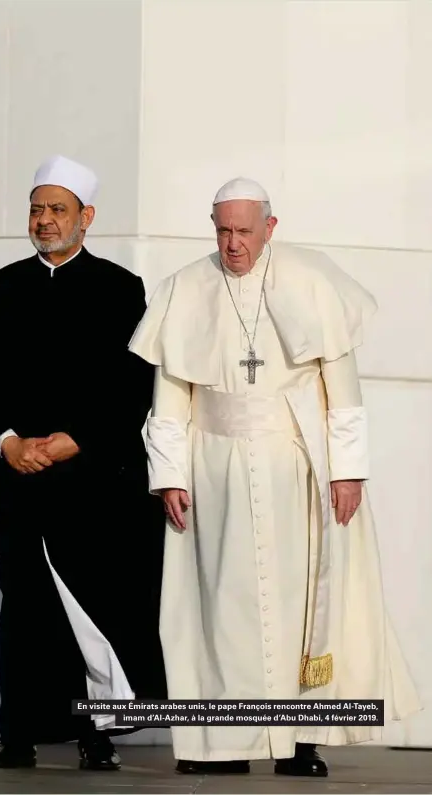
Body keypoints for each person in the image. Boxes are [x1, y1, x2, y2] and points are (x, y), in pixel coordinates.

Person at [128, 177, 420, 777]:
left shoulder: (313, 281)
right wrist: (169, 475)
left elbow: (343, 393)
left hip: (296, 466)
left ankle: (298, 741)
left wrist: (349, 473)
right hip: (214, 468)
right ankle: (222, 744)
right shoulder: (186, 287)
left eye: (244, 231)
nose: (233, 244)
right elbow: (171, 395)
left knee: (301, 603)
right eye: (223, 230)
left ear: (270, 228)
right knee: (219, 606)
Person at [0, 154, 166, 771]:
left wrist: (78, 439)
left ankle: (94, 736)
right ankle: (18, 733)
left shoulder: (121, 289)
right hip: (19, 478)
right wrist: (6, 442)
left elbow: (131, 385)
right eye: (37, 209)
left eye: (57, 210)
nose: (44, 221)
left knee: (94, 602)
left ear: (86, 217)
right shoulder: (0, 287)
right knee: (22, 604)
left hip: (93, 482)